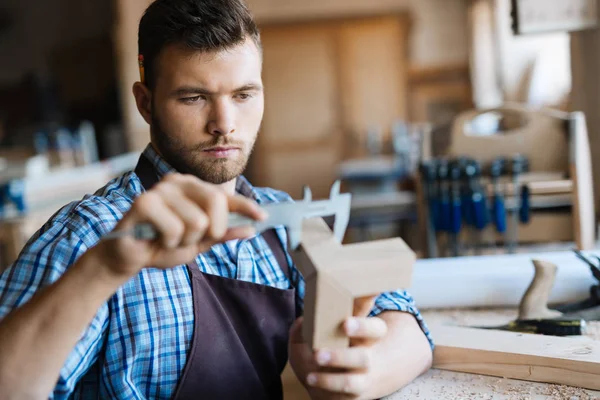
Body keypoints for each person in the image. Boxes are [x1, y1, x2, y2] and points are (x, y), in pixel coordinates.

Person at [0, 0, 434, 398]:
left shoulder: (280, 219)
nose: (224, 124)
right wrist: (102, 269)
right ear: (146, 103)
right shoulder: (90, 234)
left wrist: (362, 370)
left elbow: (401, 318)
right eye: (193, 98)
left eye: (243, 95)